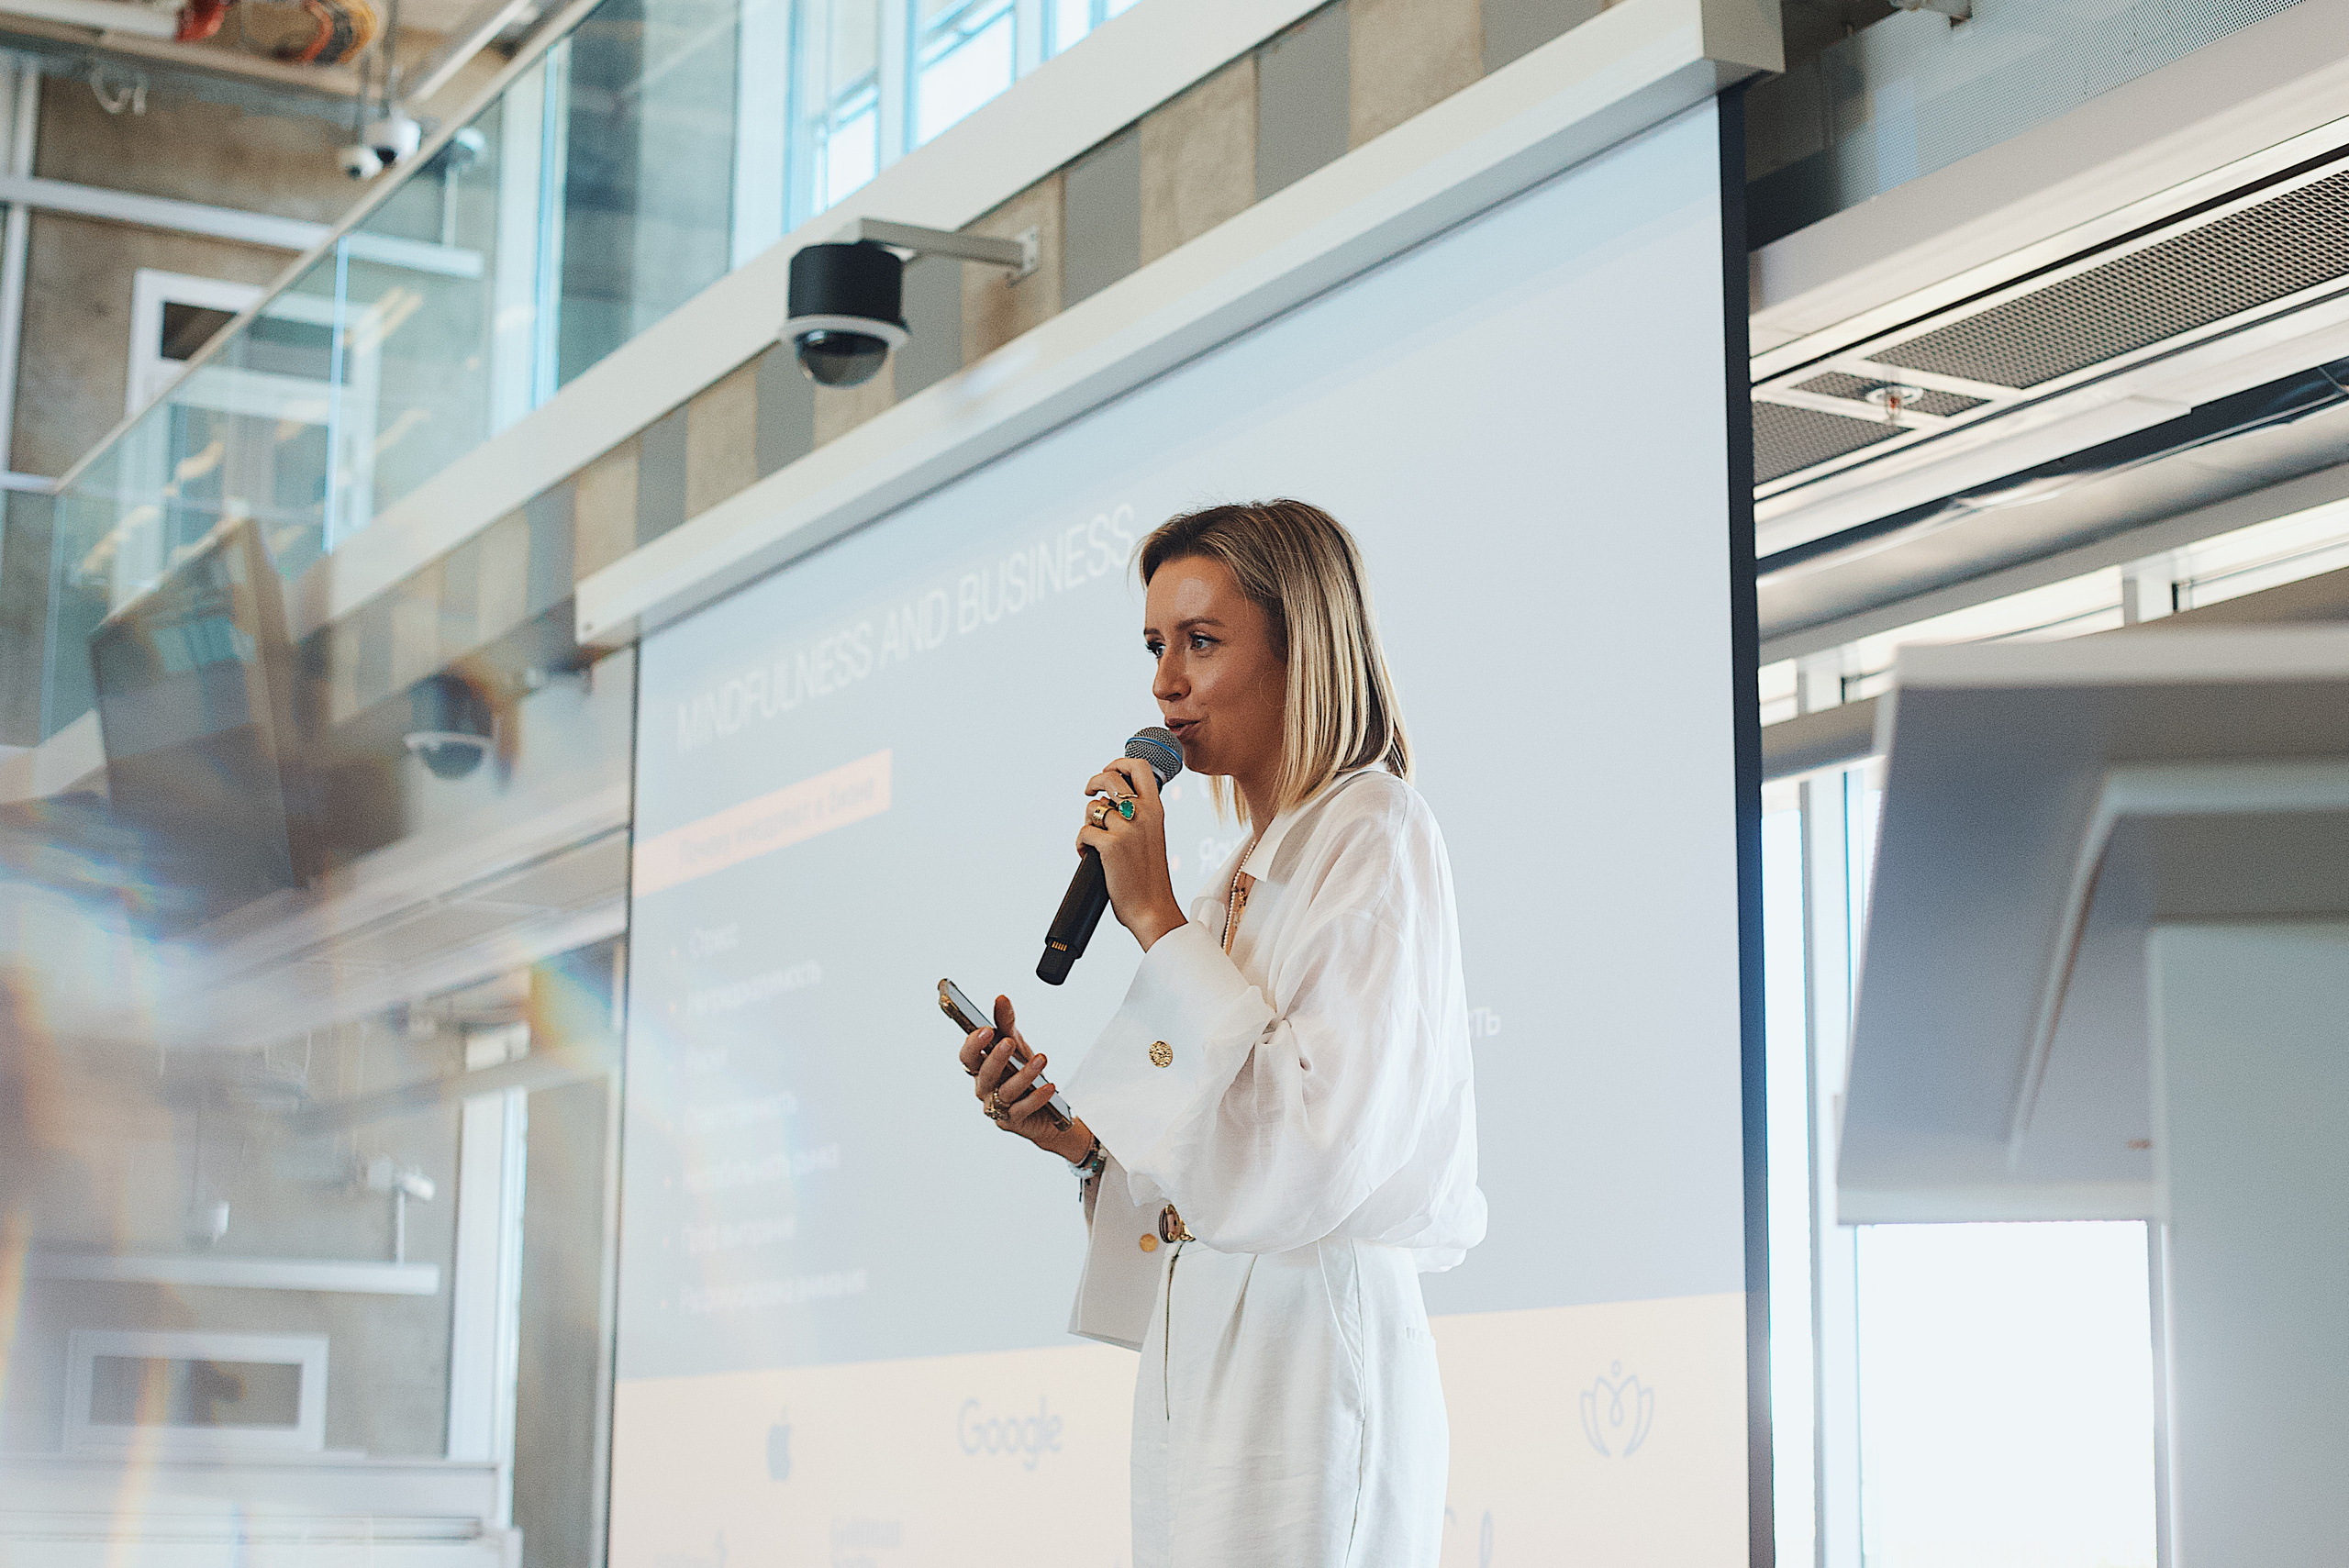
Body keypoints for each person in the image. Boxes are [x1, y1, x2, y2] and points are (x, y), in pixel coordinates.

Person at [957, 499, 1486, 1568]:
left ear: (1306, 648)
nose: (1164, 681)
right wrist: (1077, 1142)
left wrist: (1152, 918)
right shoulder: (1225, 878)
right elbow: (1205, 1161)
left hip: (1305, 1347)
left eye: (1201, 641)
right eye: (1155, 645)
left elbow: (1314, 1144)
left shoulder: (1372, 829)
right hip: (1201, 1353)